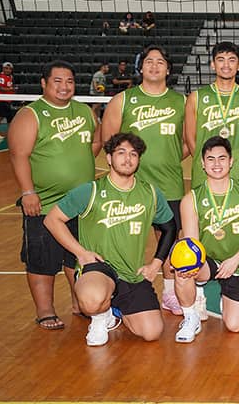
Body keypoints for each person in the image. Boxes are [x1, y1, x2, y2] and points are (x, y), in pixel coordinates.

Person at [44, 133, 177, 346]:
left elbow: (170, 227)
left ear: (139, 160)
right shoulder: (91, 191)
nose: (127, 159)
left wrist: (156, 264)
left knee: (151, 332)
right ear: (108, 158)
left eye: (133, 154)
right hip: (99, 268)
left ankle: (114, 307)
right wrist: (81, 253)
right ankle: (100, 317)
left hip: (132, 274)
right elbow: (52, 220)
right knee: (91, 300)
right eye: (121, 153)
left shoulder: (150, 193)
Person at [8, 61, 102, 330]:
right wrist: (28, 192)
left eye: (69, 81)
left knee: (79, 257)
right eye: (58, 81)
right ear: (44, 83)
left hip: (81, 204)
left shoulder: (84, 111)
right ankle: (45, 310)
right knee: (42, 260)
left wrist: (76, 165)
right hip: (45, 203)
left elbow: (95, 141)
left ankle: (79, 303)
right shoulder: (32, 114)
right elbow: (19, 155)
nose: (64, 86)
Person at [103, 45, 187, 315]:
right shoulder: (123, 100)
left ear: (168, 69)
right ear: (141, 67)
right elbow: (110, 141)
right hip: (130, 185)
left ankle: (170, 293)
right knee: (124, 237)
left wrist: (170, 158)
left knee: (170, 239)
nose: (154, 66)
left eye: (160, 62)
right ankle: (116, 291)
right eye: (149, 61)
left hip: (169, 182)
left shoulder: (181, 102)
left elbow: (188, 142)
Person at [173, 136, 239, 342]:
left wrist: (235, 260)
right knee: (182, 267)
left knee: (234, 326)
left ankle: (229, 296)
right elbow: (192, 244)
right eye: (211, 159)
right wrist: (192, 267)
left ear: (231, 161)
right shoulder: (191, 200)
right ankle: (190, 318)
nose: (217, 164)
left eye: (222, 158)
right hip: (210, 260)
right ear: (203, 164)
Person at [185, 41, 239, 186]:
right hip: (205, 174)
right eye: (221, 59)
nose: (226, 65)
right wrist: (208, 163)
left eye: (232, 60)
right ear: (212, 64)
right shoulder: (196, 98)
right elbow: (190, 139)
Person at [0, 61, 16, 140]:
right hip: (1, 99)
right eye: (6, 68)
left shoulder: (11, 77)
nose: (8, 70)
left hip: (8, 100)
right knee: (0, 116)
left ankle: (11, 133)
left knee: (9, 117)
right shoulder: (0, 77)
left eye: (10, 69)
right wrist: (11, 89)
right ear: (3, 69)